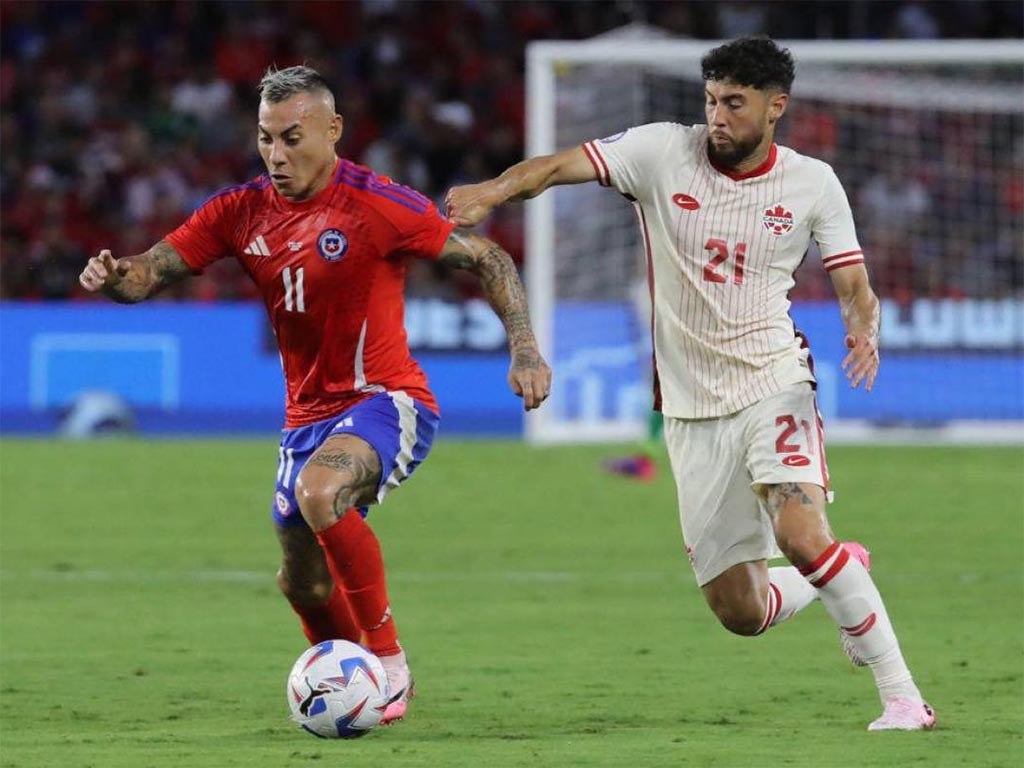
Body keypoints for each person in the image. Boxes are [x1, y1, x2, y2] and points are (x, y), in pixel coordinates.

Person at [446, 37, 935, 731]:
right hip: (690, 408)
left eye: (735, 103)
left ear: (776, 107)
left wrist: (863, 330)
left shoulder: (813, 183)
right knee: (741, 611)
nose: (717, 117)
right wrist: (492, 191)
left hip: (774, 379)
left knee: (799, 532)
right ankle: (844, 569)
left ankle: (903, 697)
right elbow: (555, 167)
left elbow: (854, 285)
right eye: (711, 101)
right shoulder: (660, 151)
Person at [79, 65, 552, 725]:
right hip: (305, 418)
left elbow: (490, 259)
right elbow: (148, 273)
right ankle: (356, 687)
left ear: (333, 131)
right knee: (300, 580)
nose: (275, 155)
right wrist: (114, 275)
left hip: (388, 400)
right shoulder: (239, 211)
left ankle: (388, 664)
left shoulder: (378, 204)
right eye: (265, 138)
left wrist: (524, 347)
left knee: (320, 491)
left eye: (292, 138)